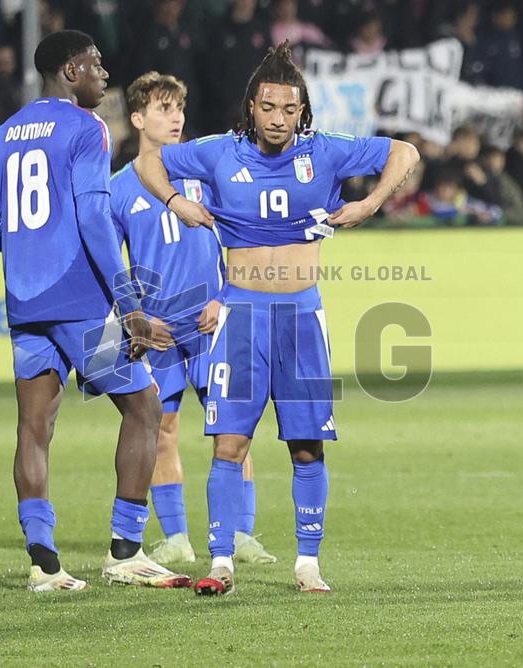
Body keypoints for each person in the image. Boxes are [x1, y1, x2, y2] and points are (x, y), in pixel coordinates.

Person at [134, 41, 419, 595]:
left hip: (302, 316)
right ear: (251, 106)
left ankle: (307, 562)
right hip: (240, 314)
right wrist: (174, 201)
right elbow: (147, 159)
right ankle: (221, 561)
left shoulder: (327, 152)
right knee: (229, 443)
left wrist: (370, 203)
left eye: (290, 110)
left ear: (302, 111)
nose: (279, 120)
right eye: (269, 108)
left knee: (307, 445)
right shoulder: (219, 152)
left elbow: (404, 152)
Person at [0, 30, 190, 592]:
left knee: (33, 427)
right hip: (80, 301)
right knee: (144, 407)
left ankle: (44, 565)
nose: (104, 74)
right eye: (94, 65)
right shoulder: (85, 128)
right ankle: (125, 550)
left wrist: (28, 246)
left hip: (26, 303)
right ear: (70, 71)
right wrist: (130, 303)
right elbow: (93, 221)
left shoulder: (1, 136)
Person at [110, 71, 277, 566]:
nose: (176, 117)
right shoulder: (118, 189)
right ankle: (177, 537)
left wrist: (223, 297)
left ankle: (241, 533)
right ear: (138, 118)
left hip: (210, 319)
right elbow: (110, 263)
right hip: (157, 331)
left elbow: (245, 237)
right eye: (163, 108)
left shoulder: (203, 171)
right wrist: (134, 319)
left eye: (179, 107)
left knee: (233, 426)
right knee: (161, 429)